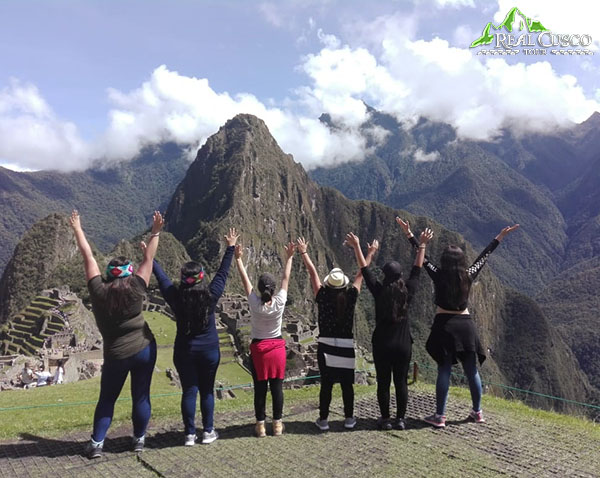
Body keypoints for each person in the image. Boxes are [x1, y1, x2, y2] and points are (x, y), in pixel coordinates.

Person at [397, 217, 519, 428]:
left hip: (445, 325)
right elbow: (484, 256)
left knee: (444, 369)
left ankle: (440, 416)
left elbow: (422, 259)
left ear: (444, 261)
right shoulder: (468, 275)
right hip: (466, 325)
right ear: (462, 261)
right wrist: (499, 237)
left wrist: (411, 235)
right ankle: (477, 412)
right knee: (471, 370)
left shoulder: (438, 274)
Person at [70, 209, 162, 458]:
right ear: (130, 272)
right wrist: (155, 232)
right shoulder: (136, 287)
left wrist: (78, 228)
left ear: (109, 274)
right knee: (141, 395)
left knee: (107, 399)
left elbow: (87, 255)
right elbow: (149, 261)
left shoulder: (98, 290)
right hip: (144, 348)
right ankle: (139, 440)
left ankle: (97, 444)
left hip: (115, 354)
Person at [151, 228, 239, 446]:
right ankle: (208, 431)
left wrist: (149, 256)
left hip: (184, 351)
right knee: (207, 391)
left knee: (189, 390)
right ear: (201, 278)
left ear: (183, 279)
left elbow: (161, 278)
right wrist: (230, 248)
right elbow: (222, 273)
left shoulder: (175, 297)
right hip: (209, 350)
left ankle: (189, 434)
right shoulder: (210, 296)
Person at [346, 226, 433, 431]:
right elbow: (417, 269)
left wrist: (358, 246)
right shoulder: (408, 292)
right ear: (400, 275)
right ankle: (400, 420)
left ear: (384, 275)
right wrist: (422, 244)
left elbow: (364, 270)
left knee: (383, 383)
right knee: (401, 382)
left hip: (382, 345)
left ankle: (385, 419)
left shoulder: (379, 291)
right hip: (403, 346)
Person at [297, 236, 375, 431]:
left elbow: (312, 272)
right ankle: (349, 419)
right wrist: (370, 253)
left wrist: (304, 252)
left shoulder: (322, 296)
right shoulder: (351, 297)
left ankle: (323, 420)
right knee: (347, 385)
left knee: (327, 385)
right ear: (343, 285)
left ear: (329, 284)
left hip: (325, 347)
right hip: (346, 347)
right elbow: (361, 274)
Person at [234, 241, 295, 437]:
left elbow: (245, 280)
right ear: (273, 288)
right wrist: (290, 257)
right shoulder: (280, 302)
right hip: (277, 349)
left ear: (259, 289)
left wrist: (238, 258)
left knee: (260, 389)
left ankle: (260, 426)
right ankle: (277, 425)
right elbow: (286, 277)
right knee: (277, 388)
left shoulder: (254, 303)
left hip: (259, 350)